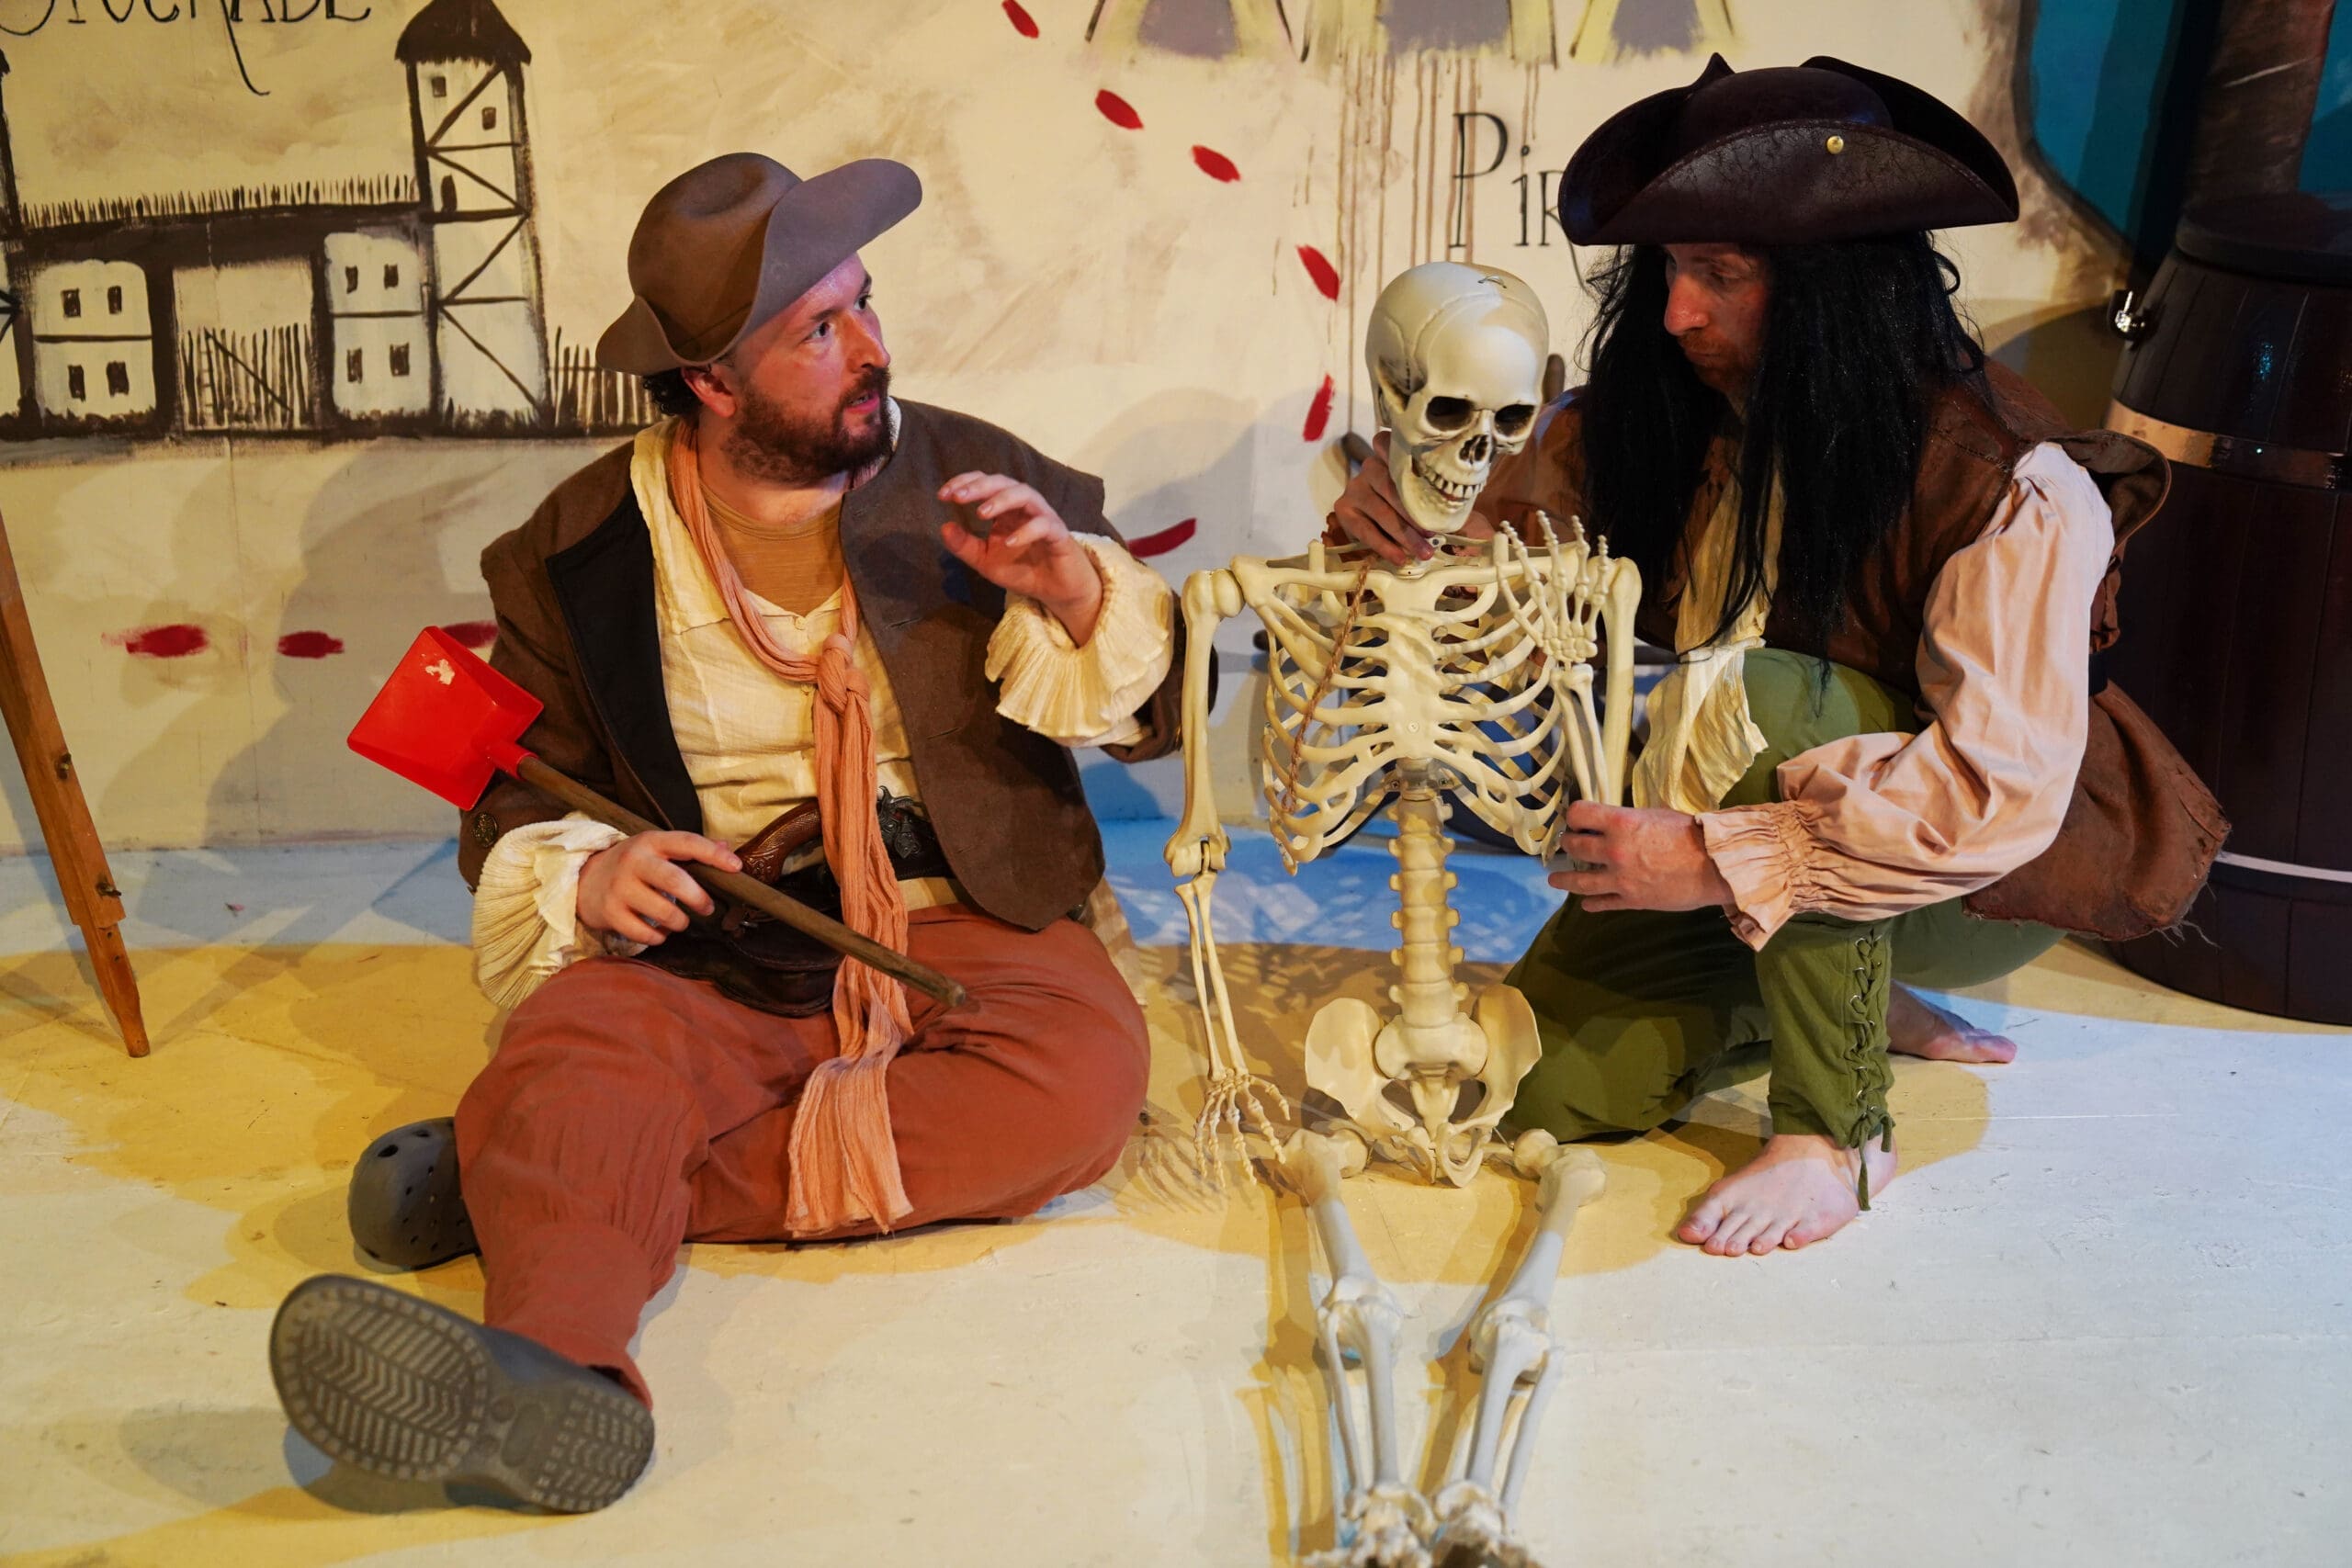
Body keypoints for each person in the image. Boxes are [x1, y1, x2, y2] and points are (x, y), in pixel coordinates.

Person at [266, 152, 1188, 1510]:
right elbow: (519, 788)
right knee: (574, 1053)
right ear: (711, 382)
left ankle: (543, 1179)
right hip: (725, 943)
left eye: (865, 302)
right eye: (819, 330)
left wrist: (1072, 590)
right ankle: (551, 1381)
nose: (871, 348)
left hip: (967, 917)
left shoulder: (978, 473)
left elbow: (1156, 716)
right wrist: (598, 881)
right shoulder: (574, 548)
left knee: (1083, 1088)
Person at [1328, 57, 2222, 1258]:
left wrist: (1710, 856)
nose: (1677, 314)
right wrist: (1396, 537)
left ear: (1835, 288)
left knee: (1762, 698)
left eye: (1722, 274)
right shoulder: (1650, 416)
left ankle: (1836, 1133)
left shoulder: (2006, 480)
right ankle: (1829, 987)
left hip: (1981, 877)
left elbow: (1995, 794)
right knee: (1537, 1093)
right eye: (1668, 270)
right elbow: (1486, 568)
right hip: (1740, 825)